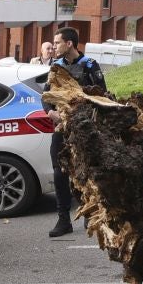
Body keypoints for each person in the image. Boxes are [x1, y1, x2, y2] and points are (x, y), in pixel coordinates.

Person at [46, 28, 106, 238]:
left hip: (85, 128)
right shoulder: (56, 67)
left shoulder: (89, 65)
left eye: (57, 43)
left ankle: (91, 214)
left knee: (88, 171)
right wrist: (51, 112)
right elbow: (46, 96)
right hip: (61, 127)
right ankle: (63, 219)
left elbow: (102, 95)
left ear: (69, 43)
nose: (54, 47)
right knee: (59, 171)